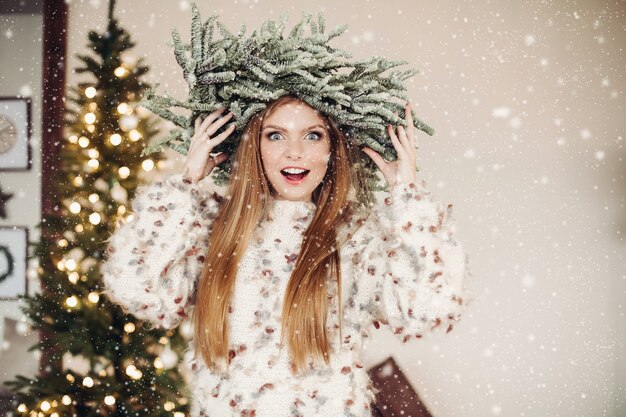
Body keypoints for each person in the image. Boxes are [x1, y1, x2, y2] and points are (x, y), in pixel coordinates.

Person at [101, 93, 469, 417]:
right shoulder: (210, 225)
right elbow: (137, 287)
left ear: (331, 149)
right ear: (253, 147)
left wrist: (408, 197)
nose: (295, 152)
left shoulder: (355, 237)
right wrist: (185, 184)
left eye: (313, 135)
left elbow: (429, 308)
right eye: (275, 135)